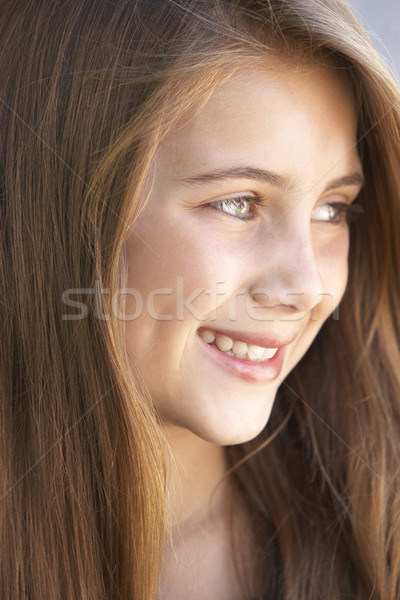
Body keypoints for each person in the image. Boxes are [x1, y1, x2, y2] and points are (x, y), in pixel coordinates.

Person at [1, 1, 399, 598]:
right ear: (58, 211)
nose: (307, 288)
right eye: (238, 202)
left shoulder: (382, 531)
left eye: (332, 209)